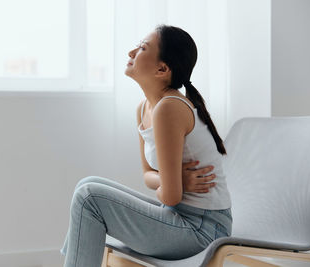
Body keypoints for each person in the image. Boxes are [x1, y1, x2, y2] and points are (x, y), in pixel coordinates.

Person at [60, 24, 232, 267]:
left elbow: (171, 196)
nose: (131, 52)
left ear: (162, 69)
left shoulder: (169, 108)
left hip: (203, 230)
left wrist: (173, 183)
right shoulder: (144, 108)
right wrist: (176, 179)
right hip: (179, 217)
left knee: (89, 197)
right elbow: (147, 176)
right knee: (87, 185)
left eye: (142, 48)